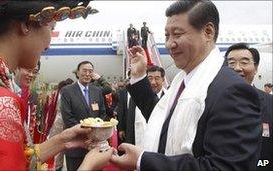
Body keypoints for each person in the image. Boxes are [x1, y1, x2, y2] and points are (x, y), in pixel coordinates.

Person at [111, 1, 262, 170]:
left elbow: (225, 167)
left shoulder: (232, 91)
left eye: (177, 34)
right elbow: (163, 121)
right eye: (167, 36)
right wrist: (139, 77)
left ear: (208, 32)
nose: (169, 44)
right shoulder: (183, 80)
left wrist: (143, 161)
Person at [0, 1, 113, 170]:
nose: (49, 44)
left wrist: (62, 140)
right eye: (51, 28)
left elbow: (13, 159)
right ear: (25, 25)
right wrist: (87, 167)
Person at [225, 42, 273, 171]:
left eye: (244, 62)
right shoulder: (209, 101)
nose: (237, 68)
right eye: (231, 63)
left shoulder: (270, 102)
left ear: (256, 68)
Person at [60, 61, 107, 171]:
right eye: (84, 71)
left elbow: (102, 113)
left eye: (90, 71)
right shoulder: (67, 91)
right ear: (77, 72)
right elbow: (68, 117)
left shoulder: (97, 90)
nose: (87, 74)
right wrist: (87, 133)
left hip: (95, 145)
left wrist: (96, 133)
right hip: (76, 144)